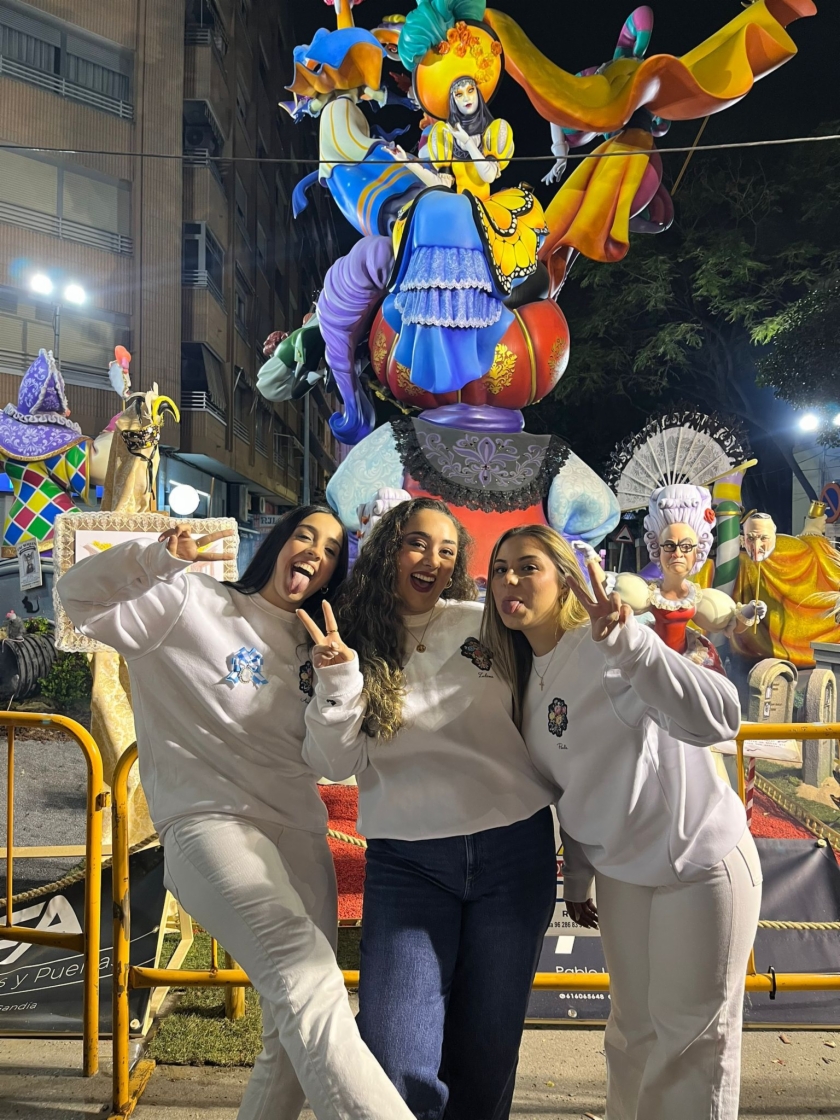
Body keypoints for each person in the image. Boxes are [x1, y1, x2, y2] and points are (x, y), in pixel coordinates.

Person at [56, 505, 417, 1120]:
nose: (316, 552)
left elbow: (332, 763)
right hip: (209, 823)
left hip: (299, 832)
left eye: (331, 550)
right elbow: (77, 594)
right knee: (309, 982)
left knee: (291, 1031)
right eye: (305, 536)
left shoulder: (322, 646)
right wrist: (156, 559)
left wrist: (338, 681)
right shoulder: (188, 601)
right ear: (277, 542)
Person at [483, 524, 761, 1120]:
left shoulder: (606, 645)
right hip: (621, 874)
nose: (510, 580)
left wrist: (634, 647)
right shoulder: (521, 675)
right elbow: (571, 784)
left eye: (528, 567)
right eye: (500, 568)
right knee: (632, 1036)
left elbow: (721, 716)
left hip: (697, 861)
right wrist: (580, 877)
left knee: (690, 1047)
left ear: (566, 581)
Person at [299, 497, 557, 1120]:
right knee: (395, 1059)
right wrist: (338, 679)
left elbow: (565, 669)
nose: (433, 560)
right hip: (409, 865)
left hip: (513, 854)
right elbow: (333, 761)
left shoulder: (487, 623)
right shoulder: (349, 640)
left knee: (486, 1059)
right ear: (388, 548)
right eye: (418, 543)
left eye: (447, 550)